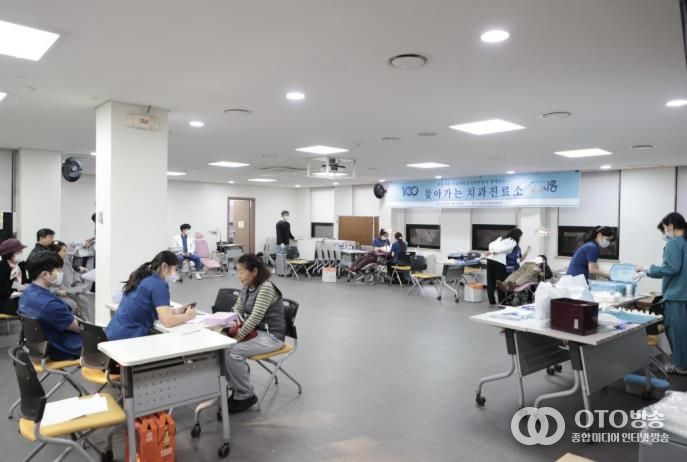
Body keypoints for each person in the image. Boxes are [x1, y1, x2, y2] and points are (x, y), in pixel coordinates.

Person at [224, 253, 285, 413]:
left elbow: (255, 318)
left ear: (254, 271)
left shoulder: (266, 288)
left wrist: (237, 337)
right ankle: (236, 388)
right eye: (237, 271)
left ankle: (246, 395)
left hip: (271, 336)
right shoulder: (247, 286)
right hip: (256, 333)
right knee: (222, 347)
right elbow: (238, 309)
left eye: (241, 271)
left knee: (232, 352)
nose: (239, 275)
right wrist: (228, 322)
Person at [637, 212, 687, 375]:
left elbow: (670, 268)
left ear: (670, 226)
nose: (665, 233)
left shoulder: (674, 243)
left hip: (676, 296)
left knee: (677, 332)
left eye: (665, 229)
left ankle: (680, 366)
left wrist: (647, 269)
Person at [106, 251, 196, 341]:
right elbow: (167, 321)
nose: (176, 273)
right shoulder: (159, 284)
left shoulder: (143, 277)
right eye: (175, 269)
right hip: (127, 339)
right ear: (164, 266)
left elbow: (146, 307)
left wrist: (175, 311)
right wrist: (188, 316)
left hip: (112, 334)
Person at [18, 251, 82, 360]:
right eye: (59, 270)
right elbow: (78, 328)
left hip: (38, 345)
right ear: (45, 274)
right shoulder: (49, 304)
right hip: (61, 347)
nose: (61, 273)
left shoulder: (27, 293)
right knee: (105, 342)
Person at [49, 241, 94, 322]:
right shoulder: (48, 266)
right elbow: (45, 286)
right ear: (55, 252)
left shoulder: (67, 263)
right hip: (57, 294)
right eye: (63, 251)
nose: (66, 253)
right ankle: (72, 325)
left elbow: (75, 278)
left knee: (86, 302)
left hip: (70, 292)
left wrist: (79, 287)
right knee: (72, 305)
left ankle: (87, 324)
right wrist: (57, 292)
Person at [486, 228, 522, 305]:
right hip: (499, 262)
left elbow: (491, 244)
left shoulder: (500, 238)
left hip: (490, 259)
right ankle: (502, 302)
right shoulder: (513, 242)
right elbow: (505, 249)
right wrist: (494, 252)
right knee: (500, 282)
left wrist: (492, 251)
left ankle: (491, 301)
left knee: (490, 281)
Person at [0, 238, 28, 316]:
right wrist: (18, 288)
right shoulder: (2, 267)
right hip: (5, 300)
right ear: (10, 254)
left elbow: (24, 281)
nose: (22, 253)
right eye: (19, 251)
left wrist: (27, 285)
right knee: (24, 310)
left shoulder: (21, 264)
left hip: (20, 296)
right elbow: (2, 292)